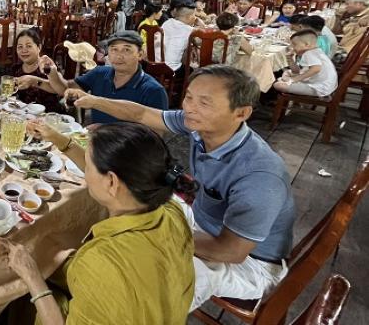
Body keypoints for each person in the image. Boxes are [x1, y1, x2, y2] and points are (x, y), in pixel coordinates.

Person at [64, 65, 296, 311]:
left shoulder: (259, 175)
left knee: (148, 282)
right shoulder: (199, 125)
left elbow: (231, 250)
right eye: (189, 97)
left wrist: (157, 237)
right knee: (128, 193)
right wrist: (93, 100)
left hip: (250, 263)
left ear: (241, 113)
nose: (189, 108)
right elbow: (142, 114)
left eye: (204, 102)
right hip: (202, 224)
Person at [0, 123, 196, 325]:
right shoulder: (171, 212)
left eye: (88, 164)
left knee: (20, 289)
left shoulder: (102, 263)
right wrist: (60, 140)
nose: (85, 171)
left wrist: (32, 276)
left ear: (112, 182)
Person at [37, 31, 168, 124]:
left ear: (140, 54)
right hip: (96, 143)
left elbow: (155, 139)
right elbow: (64, 88)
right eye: (114, 49)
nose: (119, 56)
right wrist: (52, 72)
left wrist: (105, 133)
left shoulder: (153, 91)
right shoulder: (100, 73)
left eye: (127, 50)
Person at [9, 29, 63, 114]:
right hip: (25, 115)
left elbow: (60, 89)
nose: (24, 50)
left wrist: (34, 81)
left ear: (39, 47)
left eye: (29, 46)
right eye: (20, 47)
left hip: (49, 115)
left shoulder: (46, 66)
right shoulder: (16, 68)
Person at [273, 30, 337, 97]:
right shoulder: (315, 51)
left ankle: (284, 82)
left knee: (277, 85)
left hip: (318, 88)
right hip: (325, 86)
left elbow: (316, 69)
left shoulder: (309, 54)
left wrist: (295, 79)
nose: (292, 47)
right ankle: (286, 80)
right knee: (287, 72)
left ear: (307, 44)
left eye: (294, 44)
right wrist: (290, 59)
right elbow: (296, 71)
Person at [160, 3, 197, 72]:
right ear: (189, 17)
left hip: (157, 64)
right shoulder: (190, 30)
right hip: (172, 69)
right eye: (195, 15)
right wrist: (201, 24)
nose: (195, 18)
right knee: (193, 70)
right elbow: (202, 39)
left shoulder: (167, 22)